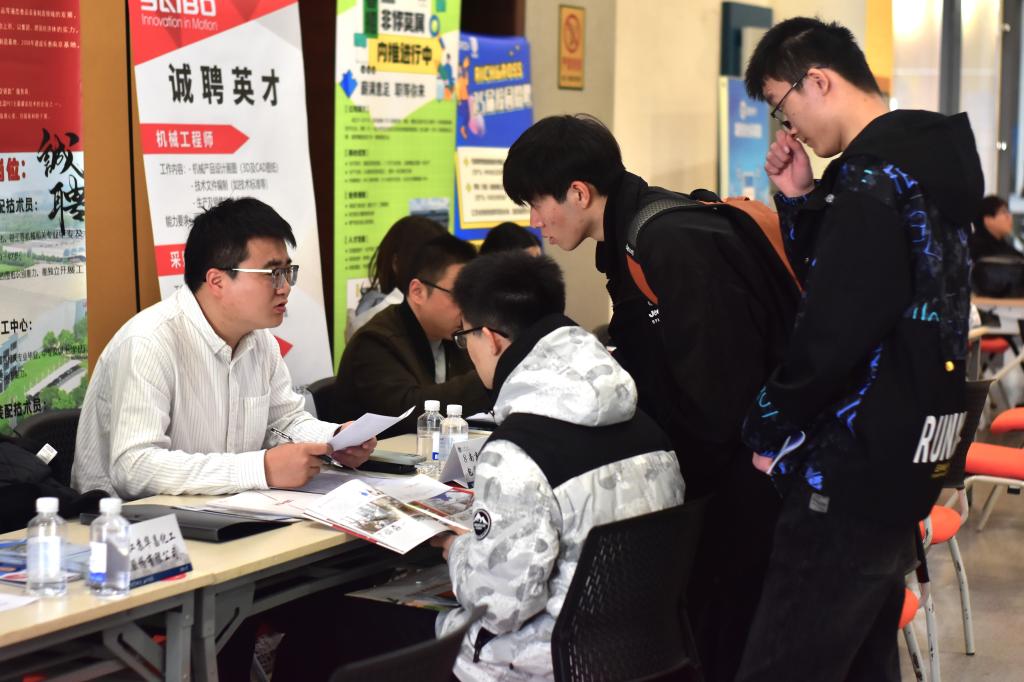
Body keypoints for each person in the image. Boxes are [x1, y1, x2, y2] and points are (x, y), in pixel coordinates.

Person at [503, 114, 799, 680]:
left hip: (745, 490)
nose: (535, 222)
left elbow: (721, 396)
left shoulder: (666, 240)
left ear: (579, 193)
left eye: (536, 205)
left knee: (726, 645)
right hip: (722, 481)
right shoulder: (636, 236)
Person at [736, 18, 982, 681]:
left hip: (848, 469)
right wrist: (800, 198)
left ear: (817, 81)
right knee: (861, 664)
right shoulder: (923, 164)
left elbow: (832, 331)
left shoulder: (872, 177)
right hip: (907, 457)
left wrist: (765, 423)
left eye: (782, 105)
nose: (788, 129)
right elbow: (863, 288)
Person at [435, 250, 685, 680]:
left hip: (548, 664)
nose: (468, 351)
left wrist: (456, 549)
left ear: (490, 338)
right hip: (644, 654)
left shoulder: (516, 453)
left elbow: (499, 608)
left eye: (465, 337)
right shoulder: (646, 425)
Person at [73, 197, 375, 500]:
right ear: (217, 281)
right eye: (272, 274)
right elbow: (134, 467)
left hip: (226, 510)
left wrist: (334, 440)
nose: (285, 287)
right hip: (129, 521)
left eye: (288, 272)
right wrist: (260, 469)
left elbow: (283, 423)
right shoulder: (149, 342)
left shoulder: (260, 341)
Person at [333, 233, 490, 435]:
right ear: (418, 292)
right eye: (459, 296)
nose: (468, 308)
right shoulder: (374, 342)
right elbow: (407, 413)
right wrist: (488, 377)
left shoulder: (453, 334)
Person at [346, 215, 447, 342]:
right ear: (396, 263)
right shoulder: (380, 322)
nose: (440, 274)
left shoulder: (370, 313)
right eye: (433, 264)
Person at [970, 195, 1021, 261]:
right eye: (1004, 212)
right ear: (988, 220)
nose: (1010, 217)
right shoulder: (977, 251)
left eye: (1009, 212)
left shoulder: (1007, 250)